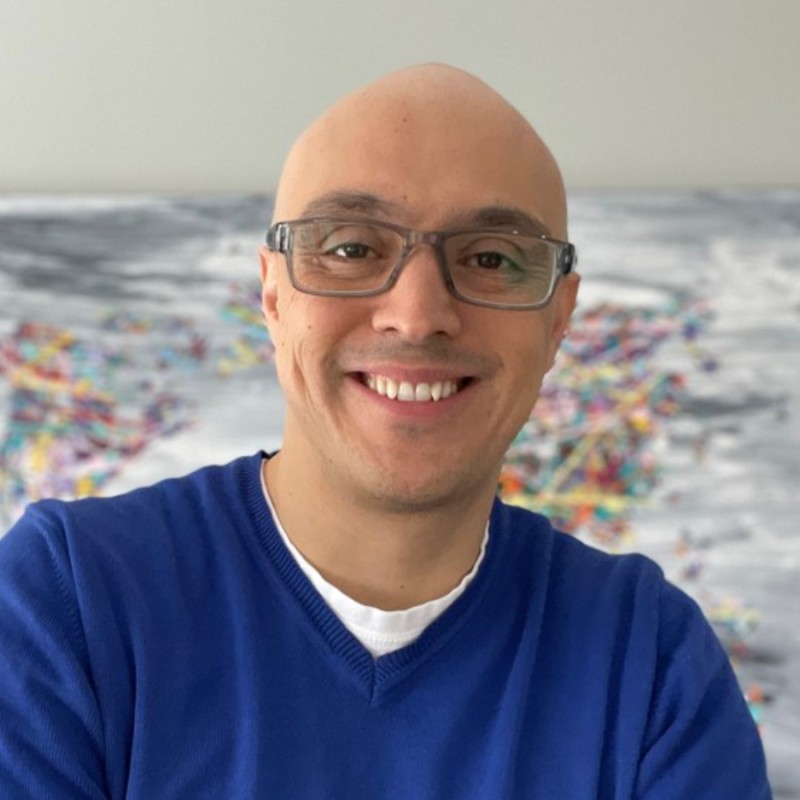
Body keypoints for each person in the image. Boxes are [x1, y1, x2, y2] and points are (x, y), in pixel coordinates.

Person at [0, 64, 771, 799]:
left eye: (492, 257)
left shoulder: (649, 662)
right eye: (351, 248)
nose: (418, 314)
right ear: (273, 295)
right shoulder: (68, 603)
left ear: (559, 318)